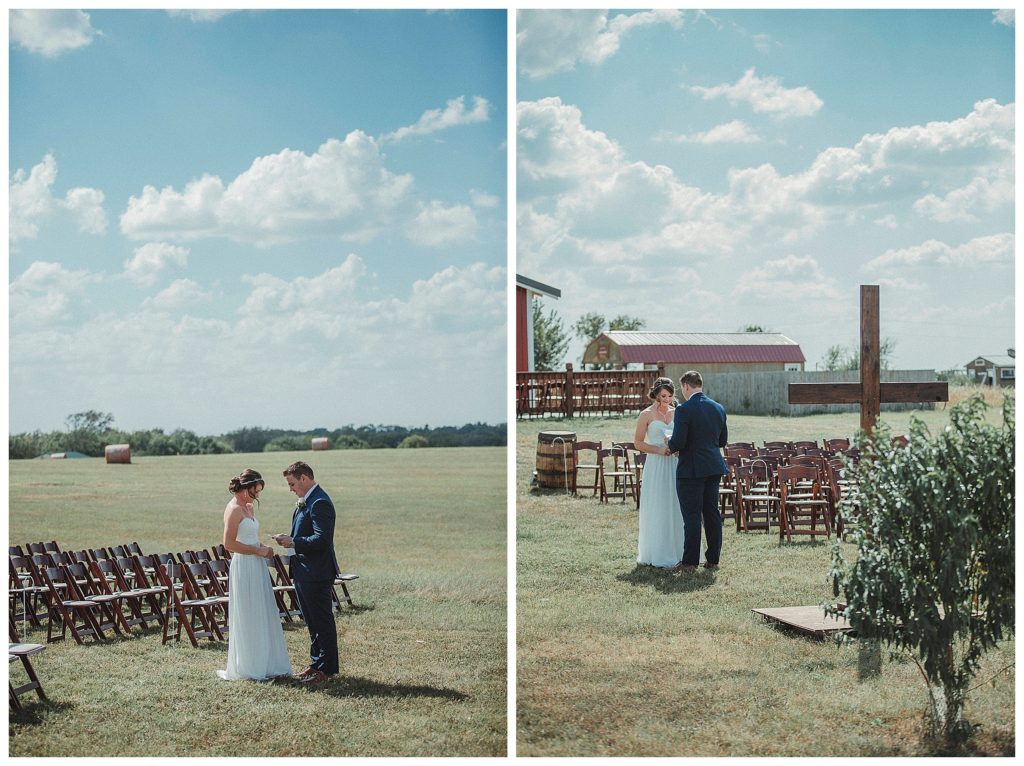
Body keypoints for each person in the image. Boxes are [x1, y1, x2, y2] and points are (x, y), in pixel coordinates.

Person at [216, 469, 292, 681]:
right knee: (249, 611)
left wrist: (263, 546)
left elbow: (249, 538)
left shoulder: (248, 507)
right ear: (244, 487)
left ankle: (266, 661)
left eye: (258, 492)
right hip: (244, 566)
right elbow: (229, 544)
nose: (256, 496)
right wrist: (258, 551)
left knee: (261, 610)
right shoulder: (233, 510)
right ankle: (249, 665)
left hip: (256, 564)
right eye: (254, 491)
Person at [272, 461, 338, 684]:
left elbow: (321, 539)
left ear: (304, 479)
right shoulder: (306, 501)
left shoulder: (319, 502)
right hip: (303, 570)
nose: (290, 488)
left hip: (317, 572)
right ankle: (315, 664)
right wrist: (292, 540)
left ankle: (327, 670)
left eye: (292, 483)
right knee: (311, 622)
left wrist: (293, 542)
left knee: (322, 622)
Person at [667, 370, 728, 572]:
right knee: (712, 513)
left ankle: (690, 562)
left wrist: (670, 443)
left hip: (691, 469)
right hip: (713, 467)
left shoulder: (684, 410)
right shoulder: (718, 408)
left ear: (686, 386)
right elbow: (722, 441)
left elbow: (679, 442)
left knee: (692, 516)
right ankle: (713, 559)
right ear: (700, 384)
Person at [634, 377, 696, 567]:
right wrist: (659, 450)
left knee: (677, 504)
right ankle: (658, 551)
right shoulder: (646, 415)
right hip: (656, 464)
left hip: (676, 463)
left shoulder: (678, 412)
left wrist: (678, 447)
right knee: (659, 504)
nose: (666, 400)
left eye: (669, 396)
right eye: (663, 396)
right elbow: (638, 443)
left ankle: (680, 551)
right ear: (655, 395)